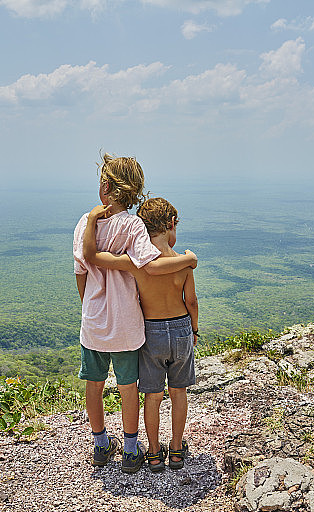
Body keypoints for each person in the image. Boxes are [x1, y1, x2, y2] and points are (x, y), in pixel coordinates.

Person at [72, 154, 197, 474]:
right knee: (131, 387)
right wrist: (188, 260)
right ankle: (133, 449)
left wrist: (90, 305)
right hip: (131, 324)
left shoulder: (84, 225)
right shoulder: (134, 227)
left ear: (105, 187)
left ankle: (104, 445)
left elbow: (82, 269)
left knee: (95, 384)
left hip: (96, 323)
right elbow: (153, 267)